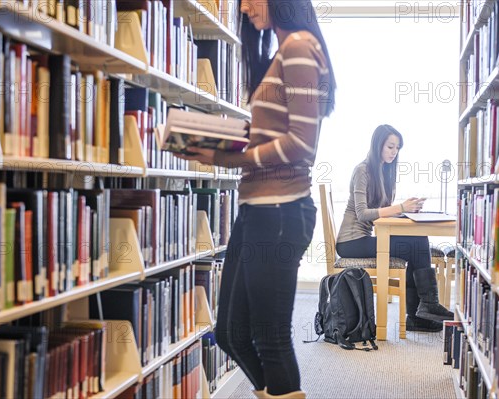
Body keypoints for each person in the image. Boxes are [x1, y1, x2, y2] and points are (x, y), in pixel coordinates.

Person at [177, 1, 335, 398]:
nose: (244, 7)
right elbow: (266, 137)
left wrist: (230, 156)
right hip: (256, 211)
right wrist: (210, 142)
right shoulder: (280, 53)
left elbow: (301, 144)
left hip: (281, 211)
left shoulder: (299, 46)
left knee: (270, 337)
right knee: (229, 332)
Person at [335, 124, 453, 333]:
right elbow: (363, 213)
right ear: (378, 144)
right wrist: (400, 207)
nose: (394, 152)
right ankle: (423, 309)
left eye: (397, 148)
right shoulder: (362, 170)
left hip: (362, 239)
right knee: (416, 244)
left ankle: (421, 311)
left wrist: (407, 210)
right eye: (390, 146)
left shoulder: (383, 172)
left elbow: (379, 210)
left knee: (417, 240)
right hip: (350, 242)